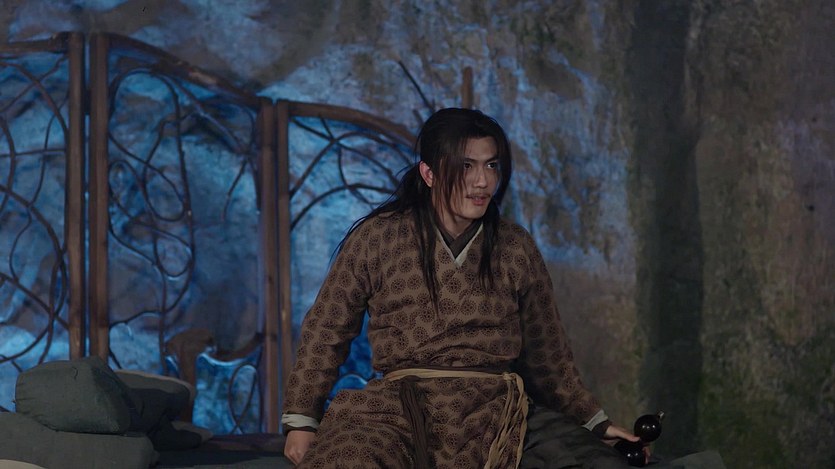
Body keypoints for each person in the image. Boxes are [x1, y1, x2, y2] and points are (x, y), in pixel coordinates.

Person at [281, 108, 643, 468]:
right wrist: (301, 420)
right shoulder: (377, 237)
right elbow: (327, 328)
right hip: (398, 410)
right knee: (347, 460)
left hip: (500, 412)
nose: (482, 181)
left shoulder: (515, 246)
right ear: (429, 173)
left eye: (491, 165)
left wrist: (595, 423)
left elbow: (548, 354)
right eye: (467, 166)